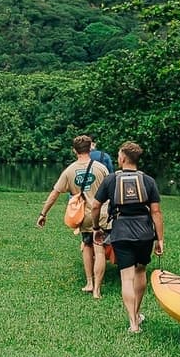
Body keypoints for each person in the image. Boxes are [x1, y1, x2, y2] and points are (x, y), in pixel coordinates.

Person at [91, 141, 164, 333]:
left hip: (121, 232)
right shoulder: (148, 181)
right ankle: (137, 313)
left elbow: (96, 206)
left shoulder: (111, 180)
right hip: (145, 233)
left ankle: (133, 323)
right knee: (140, 272)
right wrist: (160, 239)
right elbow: (156, 212)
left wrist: (96, 227)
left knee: (127, 277)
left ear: (123, 158)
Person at [37, 135, 114, 296]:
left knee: (87, 246)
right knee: (99, 249)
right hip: (101, 214)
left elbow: (55, 193)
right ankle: (97, 289)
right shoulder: (101, 168)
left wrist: (43, 213)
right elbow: (112, 190)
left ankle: (89, 283)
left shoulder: (69, 170)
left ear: (74, 150)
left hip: (84, 216)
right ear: (90, 148)